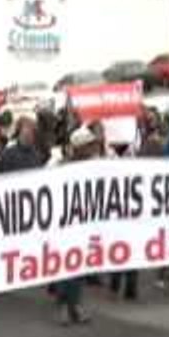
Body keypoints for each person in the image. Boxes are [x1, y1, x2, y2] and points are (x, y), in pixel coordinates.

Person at [55, 127, 100, 326]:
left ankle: (76, 303)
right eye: (88, 145)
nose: (92, 149)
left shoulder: (94, 167)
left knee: (79, 264)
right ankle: (65, 305)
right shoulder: (59, 167)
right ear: (78, 147)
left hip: (84, 221)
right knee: (65, 265)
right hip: (64, 223)